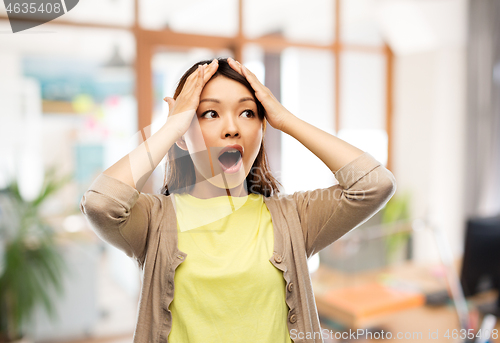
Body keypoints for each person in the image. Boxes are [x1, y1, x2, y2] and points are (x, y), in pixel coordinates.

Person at [79, 57, 397, 343]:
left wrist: (285, 119)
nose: (232, 128)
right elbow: (100, 204)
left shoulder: (294, 217)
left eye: (247, 112)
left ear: (262, 125)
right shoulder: (154, 220)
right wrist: (173, 126)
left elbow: (375, 185)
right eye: (210, 113)